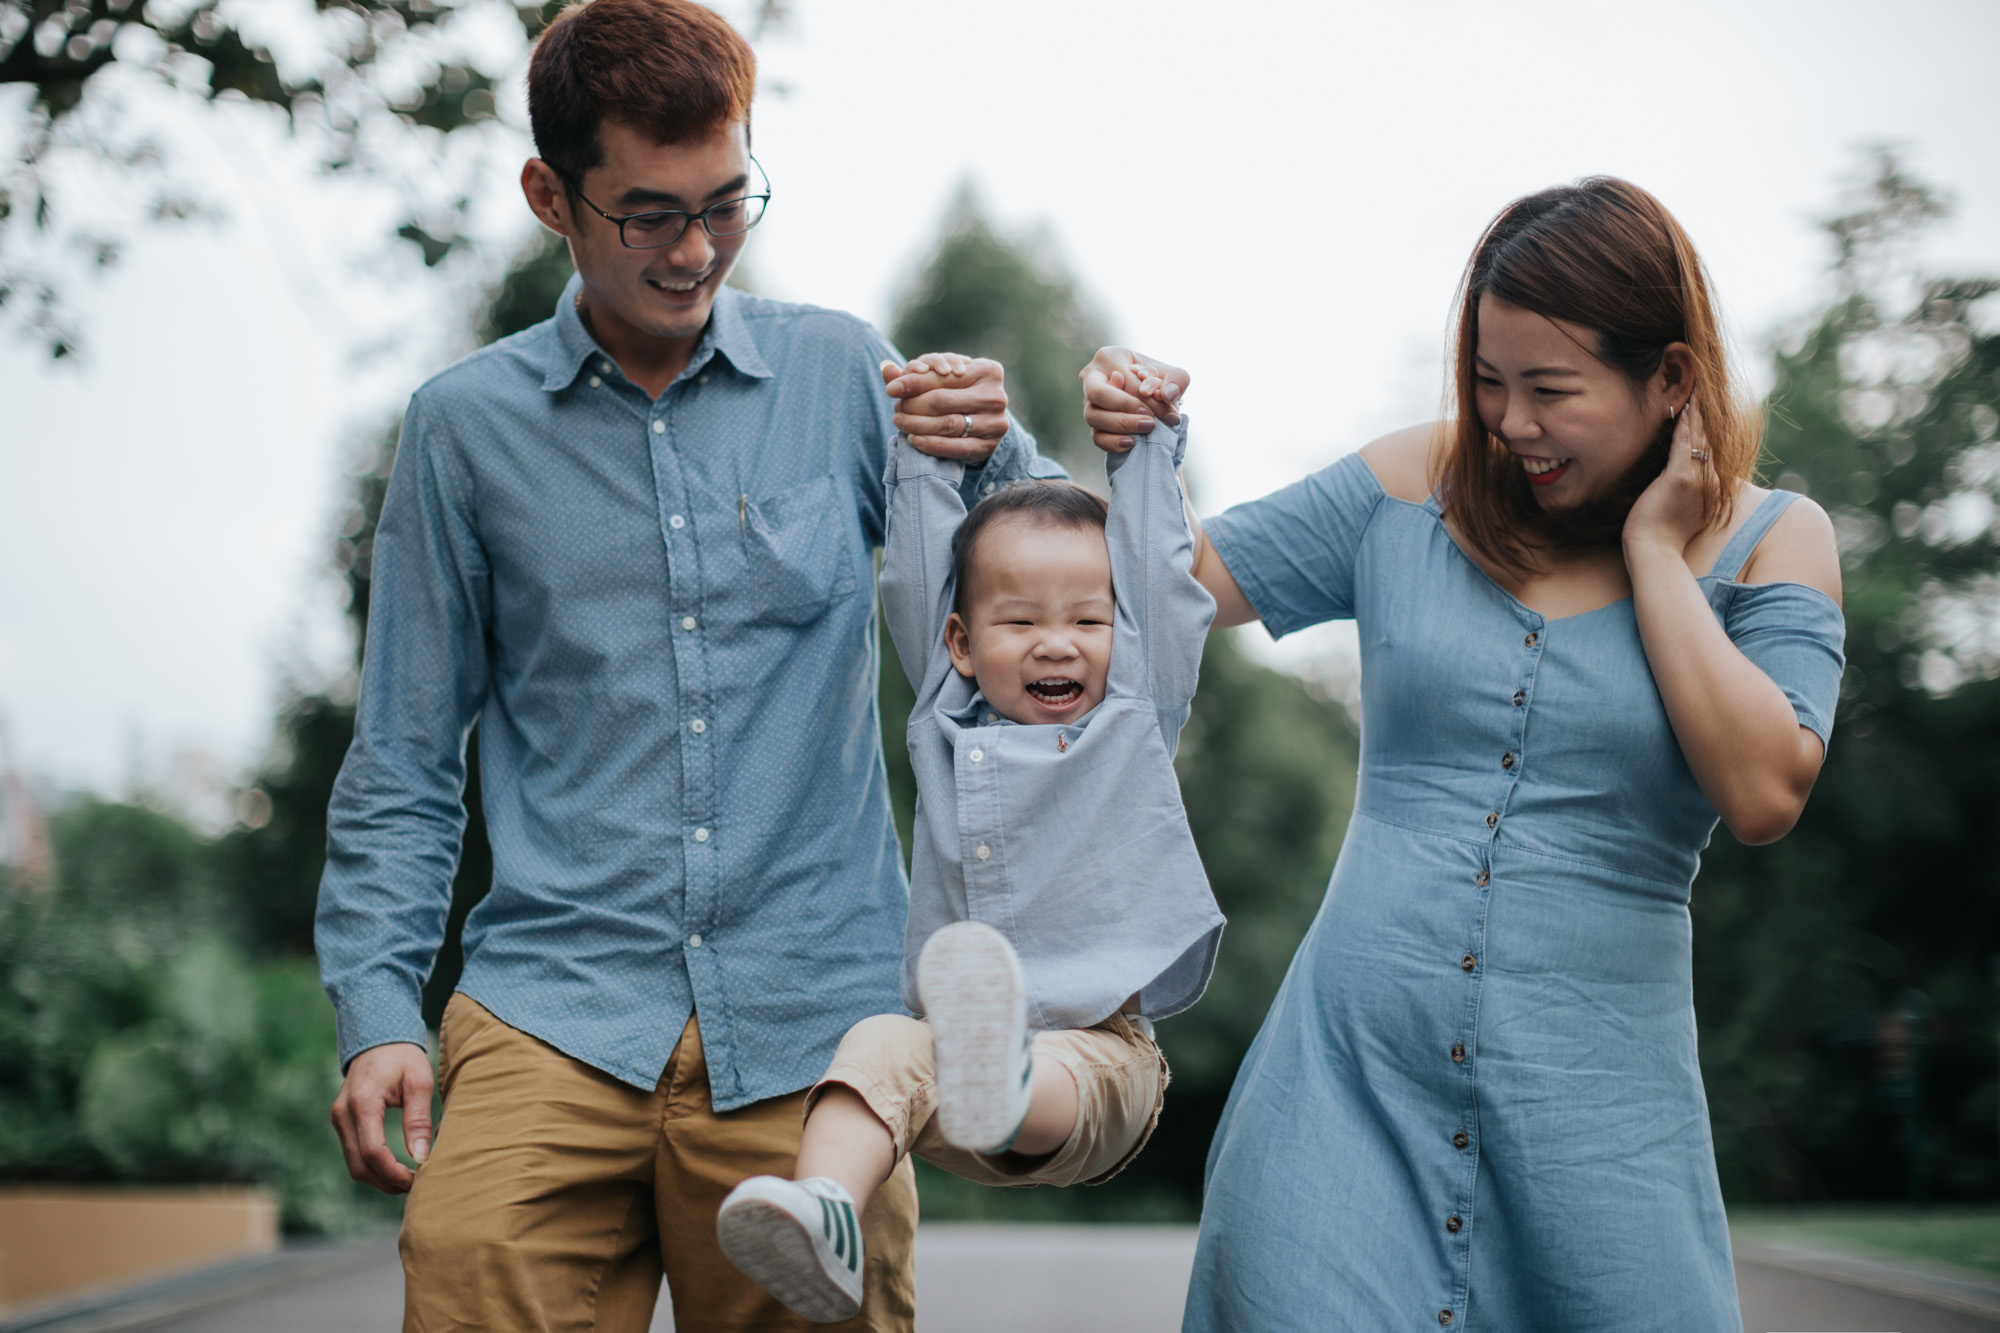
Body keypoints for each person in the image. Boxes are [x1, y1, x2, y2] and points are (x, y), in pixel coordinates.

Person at [314, 2, 1058, 1329]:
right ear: (552, 193)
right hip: (557, 1001)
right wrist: (378, 1007)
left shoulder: (840, 374)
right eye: (651, 213)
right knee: (467, 1268)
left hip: (812, 1017)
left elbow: (1050, 603)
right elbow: (409, 756)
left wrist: (1005, 448)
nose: (700, 247)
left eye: (730, 199)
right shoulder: (463, 432)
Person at [1083, 178, 1846, 1332]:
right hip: (1343, 1088)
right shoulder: (1411, 487)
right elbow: (1161, 587)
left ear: (1671, 379)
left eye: (1549, 389)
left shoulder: (1773, 539)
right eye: (1488, 382)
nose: (1508, 421)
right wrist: (1128, 444)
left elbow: (1760, 788)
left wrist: (1653, 552)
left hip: (1600, 1111)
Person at [712, 417, 1225, 1322]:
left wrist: (1143, 443)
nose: (1056, 642)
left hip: (1097, 1056)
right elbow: (914, 575)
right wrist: (920, 454)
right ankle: (827, 1210)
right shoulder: (942, 721)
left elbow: (1161, 584)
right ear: (959, 645)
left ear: (1126, 631)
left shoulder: (1136, 712)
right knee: (873, 1044)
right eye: (1019, 620)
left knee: (1044, 1064)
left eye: (1088, 620)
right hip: (945, 1064)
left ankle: (1010, 1078)